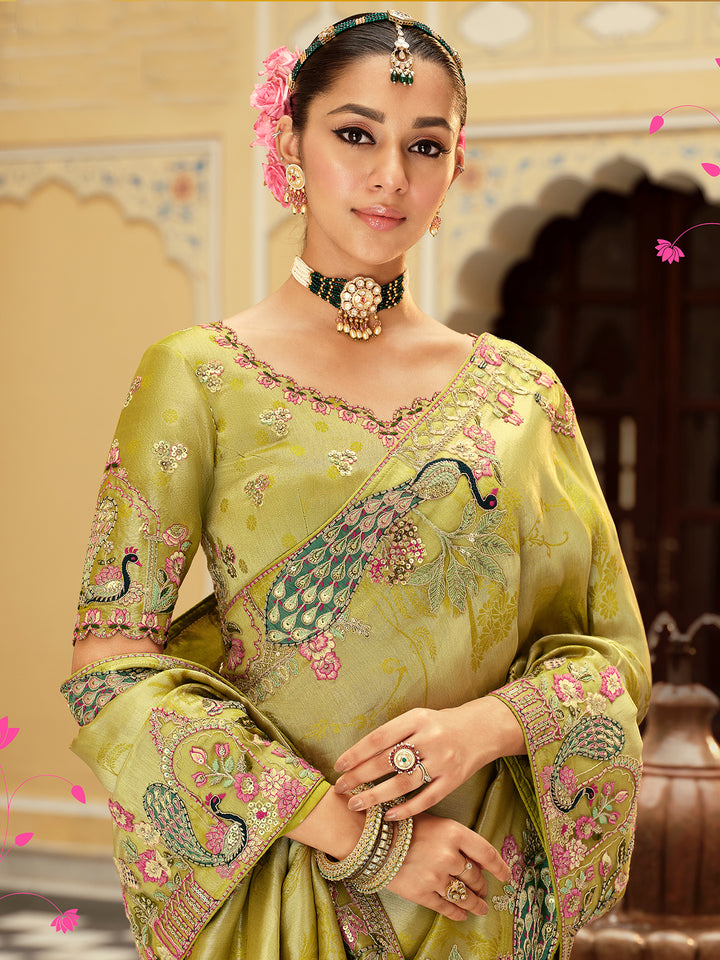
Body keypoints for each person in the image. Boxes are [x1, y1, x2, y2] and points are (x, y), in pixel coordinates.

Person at [63, 11, 651, 960]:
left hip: (477, 883)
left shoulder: (520, 397)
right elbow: (108, 663)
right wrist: (363, 839)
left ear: (457, 167)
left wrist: (487, 726)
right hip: (293, 882)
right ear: (289, 143)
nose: (391, 177)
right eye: (354, 134)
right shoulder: (199, 377)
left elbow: (611, 658)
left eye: (426, 145)